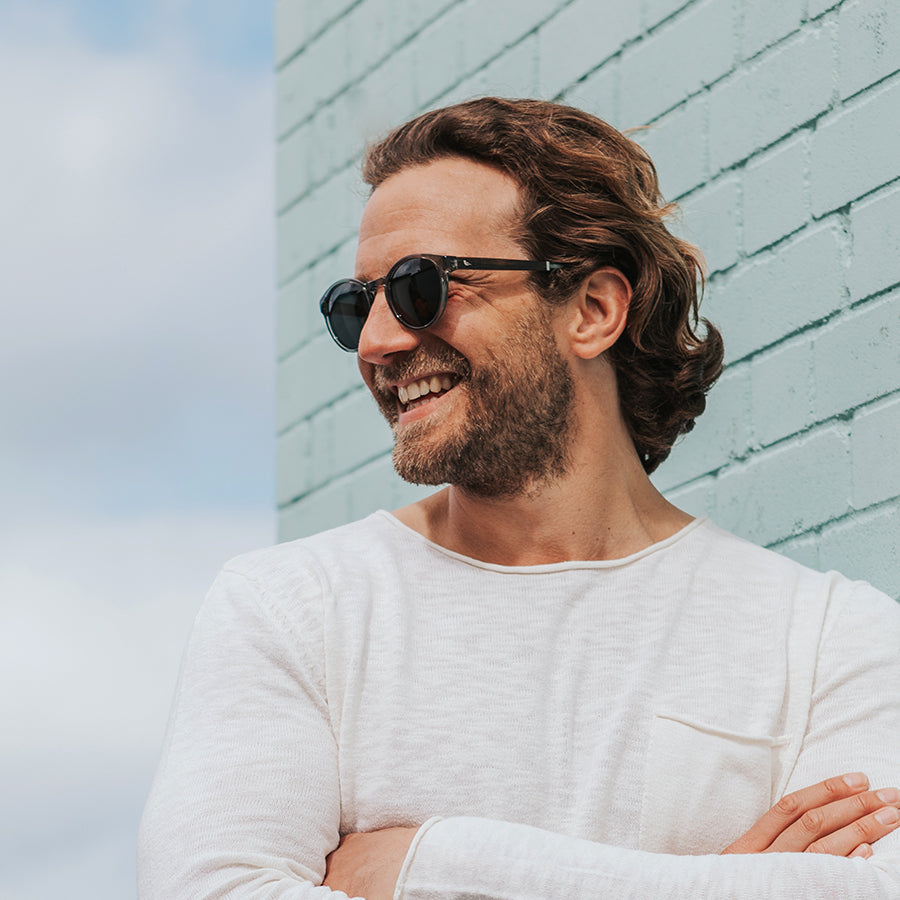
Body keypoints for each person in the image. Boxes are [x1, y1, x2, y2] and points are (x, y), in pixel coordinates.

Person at [138, 98, 900, 898]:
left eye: (420, 286)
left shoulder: (827, 639)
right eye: (357, 305)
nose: (377, 343)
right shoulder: (293, 611)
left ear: (593, 310)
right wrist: (715, 883)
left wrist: (430, 864)